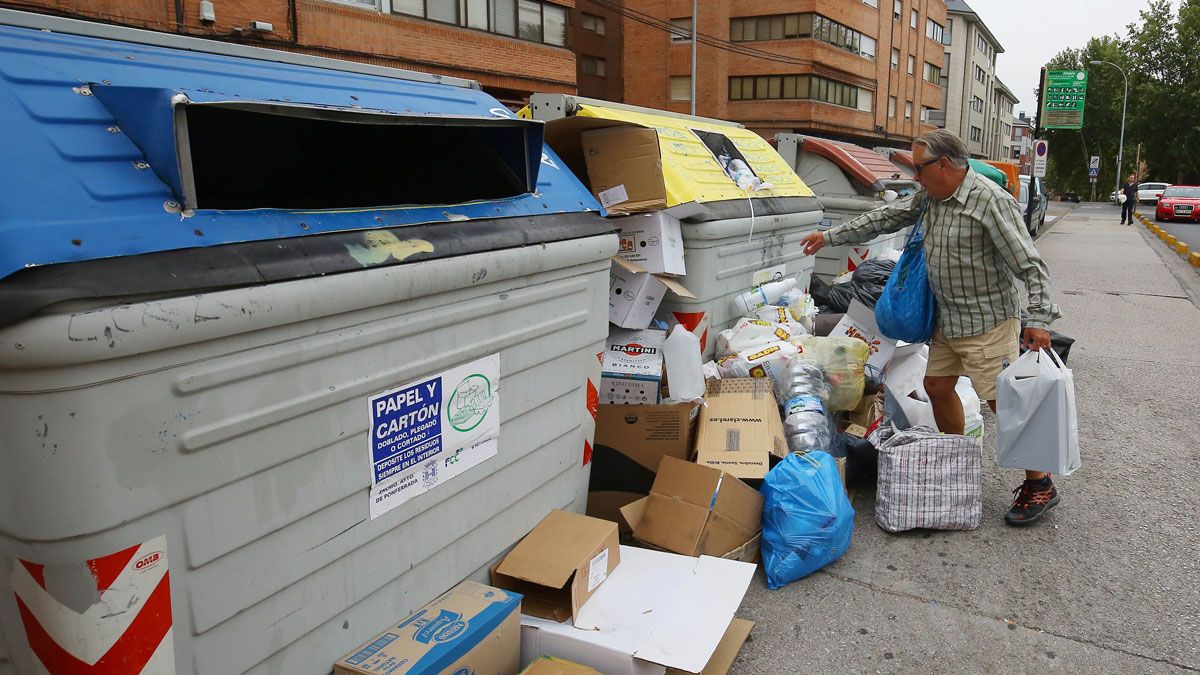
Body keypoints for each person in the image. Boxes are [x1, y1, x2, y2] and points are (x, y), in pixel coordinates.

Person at [798, 130, 1064, 526]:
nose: (916, 177)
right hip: (949, 321)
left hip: (988, 322)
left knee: (1005, 406)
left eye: (920, 169)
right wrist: (831, 235)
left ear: (943, 164)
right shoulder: (932, 197)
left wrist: (1041, 318)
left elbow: (1029, 263)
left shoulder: (990, 202)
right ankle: (958, 457)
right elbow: (886, 215)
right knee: (938, 387)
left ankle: (1040, 483)